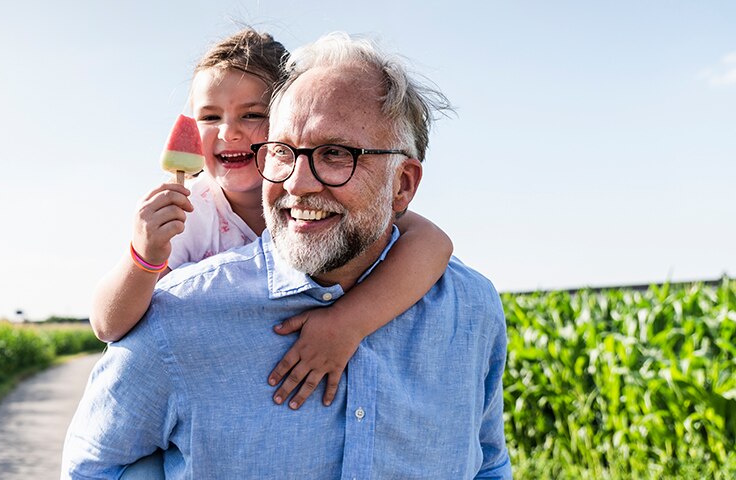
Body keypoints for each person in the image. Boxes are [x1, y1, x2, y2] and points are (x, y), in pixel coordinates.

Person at [63, 32, 511, 479]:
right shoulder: (178, 304)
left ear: (404, 185)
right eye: (283, 152)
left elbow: (488, 463)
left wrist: (348, 321)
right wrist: (143, 257)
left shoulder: (471, 309)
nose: (298, 183)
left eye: (335, 154)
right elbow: (93, 461)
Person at [90, 28, 454, 410]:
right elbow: (107, 324)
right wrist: (144, 256)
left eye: (252, 115)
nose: (229, 132)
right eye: (209, 116)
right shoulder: (188, 211)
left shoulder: (324, 199)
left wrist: (348, 323)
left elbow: (433, 244)